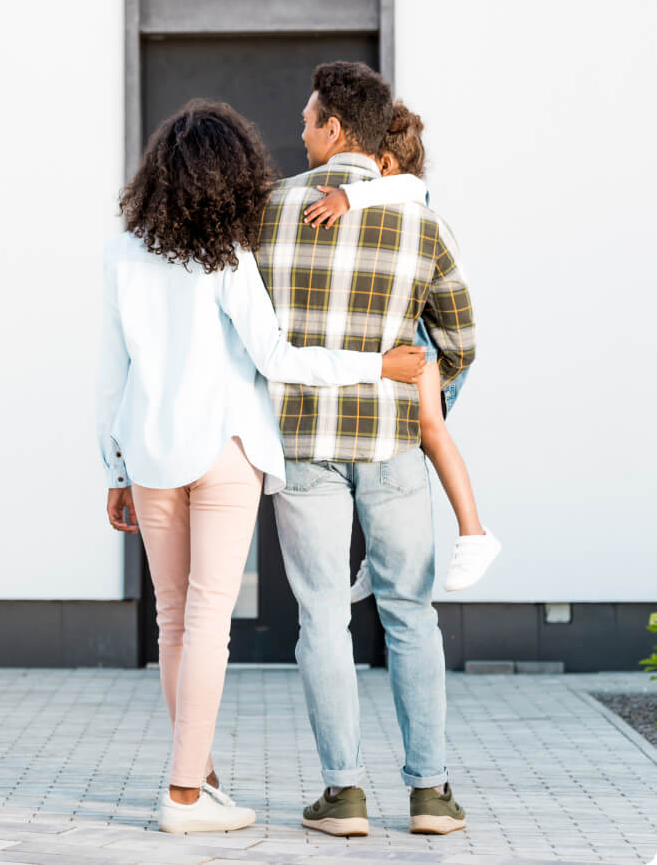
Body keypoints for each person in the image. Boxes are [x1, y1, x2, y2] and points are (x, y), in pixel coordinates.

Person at [96, 100, 428, 835]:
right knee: (208, 622)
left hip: (148, 454)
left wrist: (115, 466)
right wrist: (376, 363)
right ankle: (185, 795)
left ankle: (200, 776)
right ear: (231, 177)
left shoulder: (124, 253)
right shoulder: (227, 257)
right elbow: (277, 359)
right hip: (224, 449)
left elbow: (109, 375)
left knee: (173, 622)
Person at [256, 62, 476, 838]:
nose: (301, 131)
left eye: (310, 119)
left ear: (336, 130)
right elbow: (460, 337)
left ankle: (343, 795)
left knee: (321, 617)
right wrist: (431, 407)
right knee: (411, 613)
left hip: (302, 443)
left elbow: (245, 334)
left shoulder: (269, 212)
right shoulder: (424, 222)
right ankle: (430, 795)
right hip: (390, 443)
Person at [302, 102, 502, 595]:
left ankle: (474, 533)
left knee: (429, 432)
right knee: (409, 449)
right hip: (413, 343)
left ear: (384, 165)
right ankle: (381, 552)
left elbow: (407, 187)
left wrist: (348, 197)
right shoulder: (395, 203)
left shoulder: (405, 198)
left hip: (422, 343)